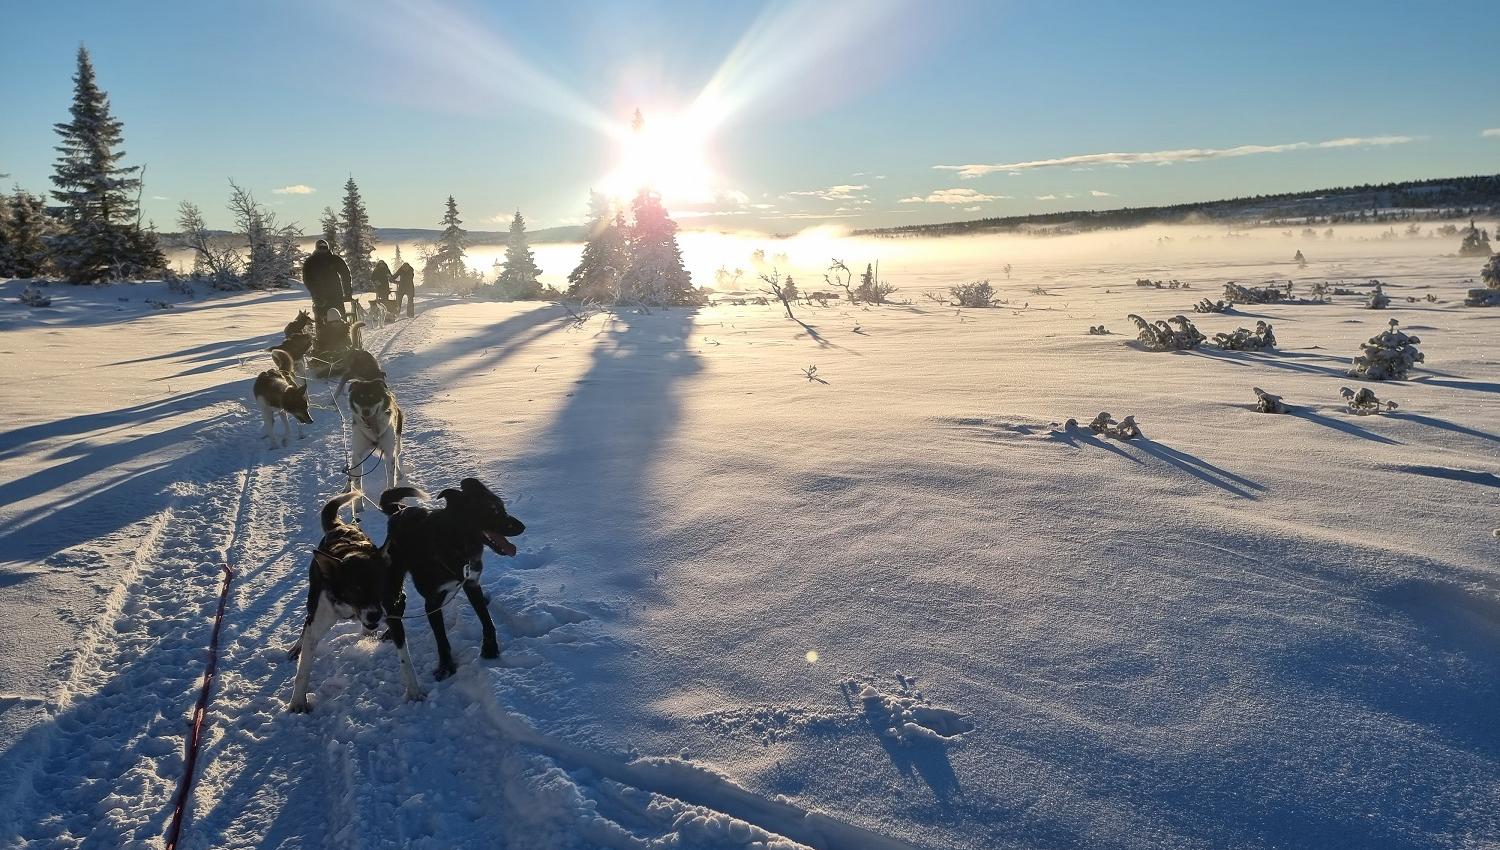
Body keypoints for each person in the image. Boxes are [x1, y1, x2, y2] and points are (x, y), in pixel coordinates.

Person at [302, 239, 352, 320]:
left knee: (341, 321)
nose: (322, 250)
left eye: (324, 248)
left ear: (327, 248)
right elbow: (307, 279)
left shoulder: (335, 259)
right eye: (320, 248)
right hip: (320, 296)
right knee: (322, 322)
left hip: (335, 295)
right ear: (317, 248)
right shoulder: (311, 261)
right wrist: (315, 294)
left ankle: (343, 332)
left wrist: (348, 292)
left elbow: (345, 274)